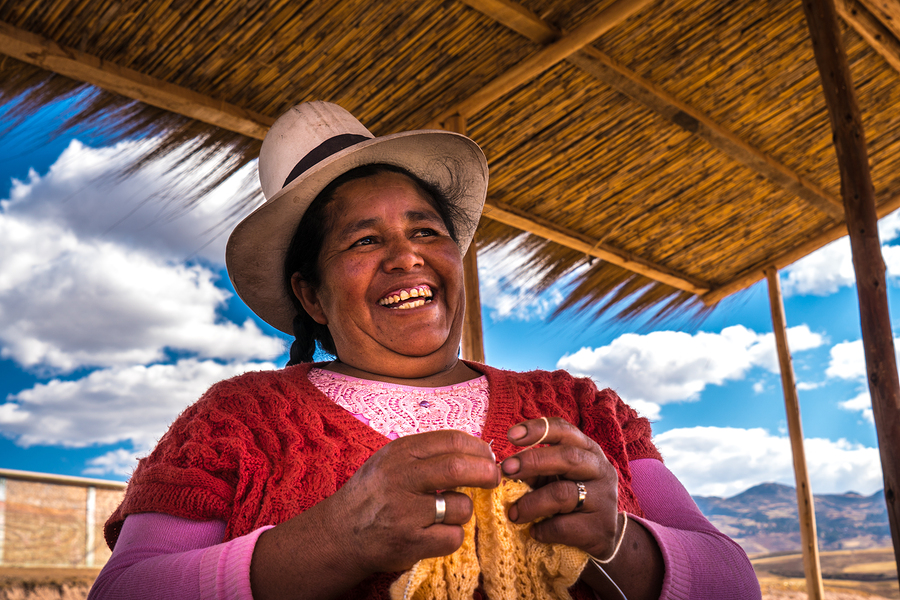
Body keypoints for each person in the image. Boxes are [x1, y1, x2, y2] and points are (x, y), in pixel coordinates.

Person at [88, 102, 761, 600]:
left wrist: (617, 539)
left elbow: (735, 586)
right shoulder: (234, 421)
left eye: (426, 230)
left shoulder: (581, 406)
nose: (406, 255)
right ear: (312, 295)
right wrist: (336, 537)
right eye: (363, 240)